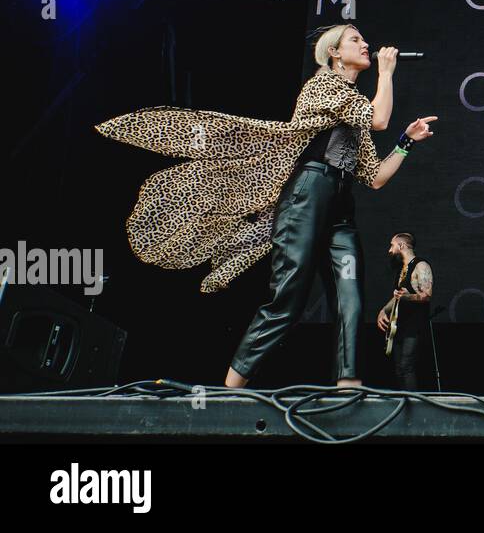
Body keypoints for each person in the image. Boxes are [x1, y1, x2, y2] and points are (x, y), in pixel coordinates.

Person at [94, 23, 437, 387]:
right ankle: (231, 388)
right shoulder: (322, 85)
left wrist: (406, 142)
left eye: (364, 40)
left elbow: (376, 177)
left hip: (340, 208)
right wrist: (386, 73)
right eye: (356, 40)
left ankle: (348, 384)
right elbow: (379, 117)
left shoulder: (355, 116)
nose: (366, 44)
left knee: (350, 297)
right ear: (335, 53)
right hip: (306, 197)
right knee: (287, 301)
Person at [378, 232, 434, 389]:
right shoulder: (401, 269)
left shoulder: (420, 265)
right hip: (399, 327)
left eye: (392, 245)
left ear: (401, 245)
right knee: (399, 369)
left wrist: (408, 297)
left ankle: (414, 408)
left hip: (414, 327)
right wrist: (384, 310)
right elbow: (398, 296)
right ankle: (404, 405)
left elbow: (426, 295)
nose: (390, 250)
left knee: (407, 366)